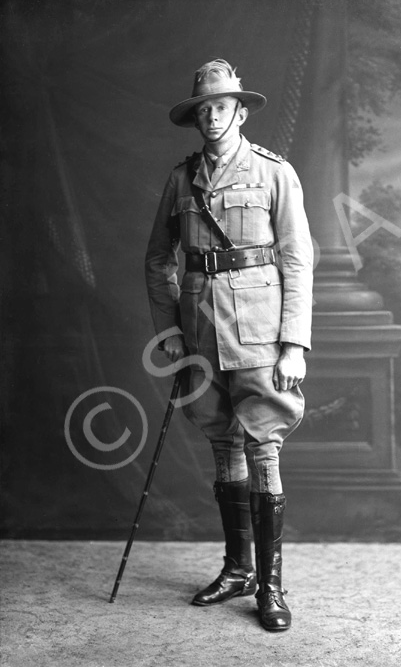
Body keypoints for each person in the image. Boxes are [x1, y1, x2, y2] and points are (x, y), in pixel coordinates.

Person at [145, 59, 313, 632]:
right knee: (223, 443)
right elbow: (158, 260)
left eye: (221, 106)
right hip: (200, 337)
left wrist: (294, 343)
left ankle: (270, 585)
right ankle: (238, 569)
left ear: (240, 111)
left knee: (263, 445)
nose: (211, 116)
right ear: (195, 119)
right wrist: (170, 329)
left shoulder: (273, 173)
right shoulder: (180, 179)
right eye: (203, 109)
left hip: (262, 336)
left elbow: (297, 259)